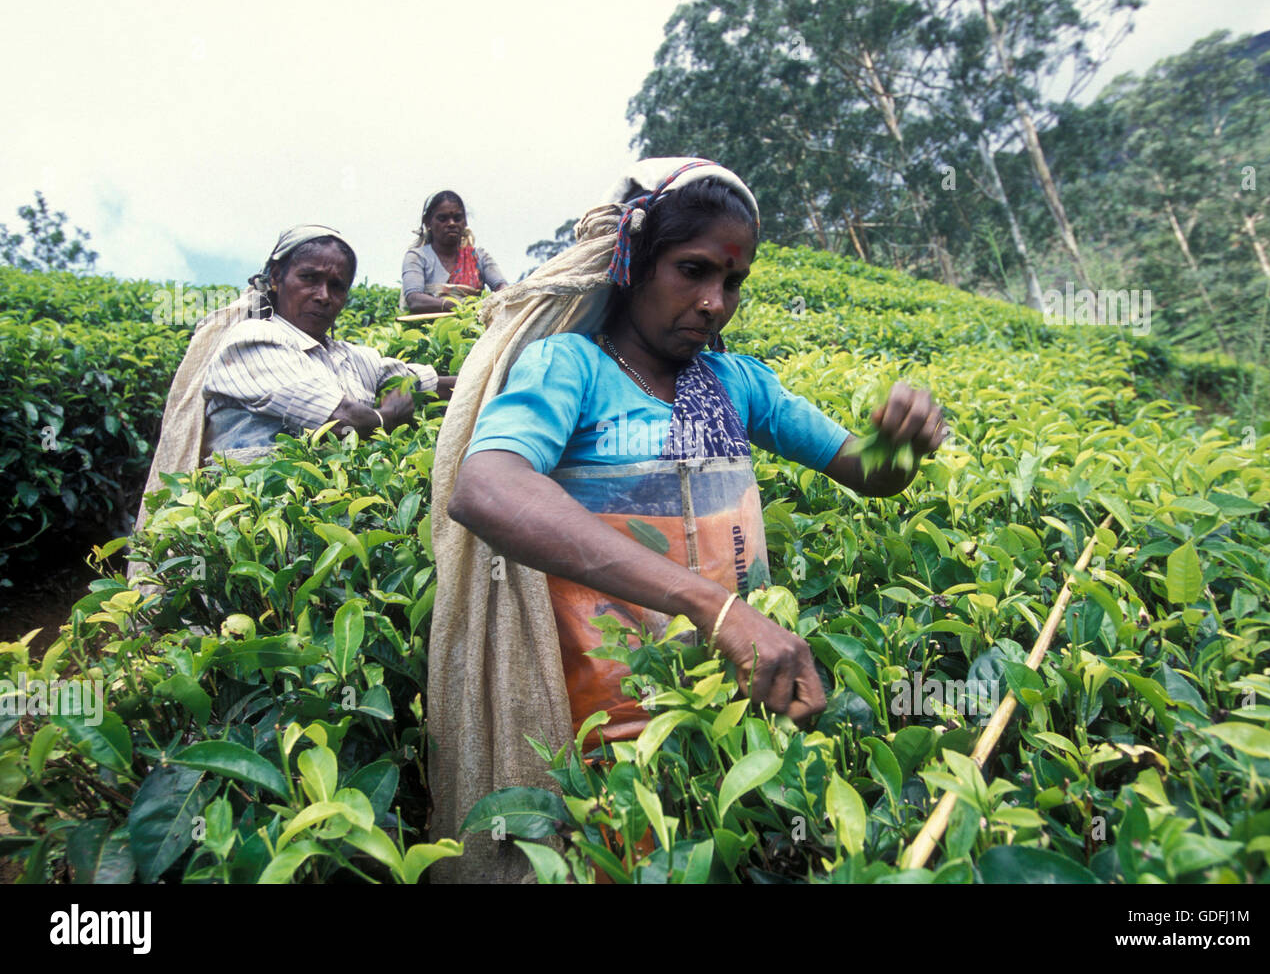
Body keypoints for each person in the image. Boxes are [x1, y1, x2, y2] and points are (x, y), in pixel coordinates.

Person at [425, 158, 948, 882]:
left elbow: (867, 471)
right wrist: (714, 606)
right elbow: (486, 487)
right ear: (634, 260)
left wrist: (900, 441)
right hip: (605, 736)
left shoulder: (739, 384)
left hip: (741, 718)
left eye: (731, 282)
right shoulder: (570, 368)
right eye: (693, 270)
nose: (713, 301)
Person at [202, 226, 454, 453]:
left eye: (336, 286)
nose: (323, 296)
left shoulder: (354, 359)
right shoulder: (251, 339)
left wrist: (490, 373)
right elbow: (340, 422)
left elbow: (423, 383)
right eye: (309, 278)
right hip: (247, 498)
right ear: (277, 277)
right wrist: (386, 417)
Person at [401, 191, 507, 313]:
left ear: (465, 222)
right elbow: (414, 300)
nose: (451, 223)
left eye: (457, 218)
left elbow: (502, 288)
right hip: (429, 327)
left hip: (475, 324)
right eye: (443, 218)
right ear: (427, 222)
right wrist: (461, 307)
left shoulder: (479, 257)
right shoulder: (417, 257)